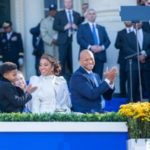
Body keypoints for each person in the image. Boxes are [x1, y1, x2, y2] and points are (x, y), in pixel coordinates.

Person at [53, 0, 83, 79]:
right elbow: (55, 26)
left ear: (72, 3)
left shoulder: (77, 14)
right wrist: (64, 27)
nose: (68, 3)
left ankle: (74, 79)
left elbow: (82, 26)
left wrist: (76, 27)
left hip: (75, 41)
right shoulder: (59, 14)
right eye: (66, 2)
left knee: (73, 60)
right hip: (63, 41)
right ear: (64, 4)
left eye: (70, 2)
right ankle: (61, 79)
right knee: (62, 60)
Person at [77, 8, 111, 79]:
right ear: (86, 16)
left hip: (100, 56)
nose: (92, 15)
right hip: (87, 57)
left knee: (98, 78)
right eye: (90, 14)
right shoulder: (82, 27)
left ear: (96, 16)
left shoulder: (101, 28)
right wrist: (90, 47)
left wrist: (101, 48)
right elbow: (79, 40)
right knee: (87, 78)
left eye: (93, 14)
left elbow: (108, 41)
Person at [122, 22, 150, 102]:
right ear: (132, 23)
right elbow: (126, 49)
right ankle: (131, 109)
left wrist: (145, 55)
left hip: (147, 66)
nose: (137, 23)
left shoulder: (148, 34)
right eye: (135, 21)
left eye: (139, 21)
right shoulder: (126, 35)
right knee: (133, 89)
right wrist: (137, 57)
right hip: (133, 66)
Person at [114, 21, 134, 97]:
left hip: (134, 58)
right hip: (123, 59)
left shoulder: (136, 31)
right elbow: (116, 45)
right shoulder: (120, 32)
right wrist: (124, 44)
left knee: (132, 77)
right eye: (126, 20)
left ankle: (132, 94)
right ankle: (123, 94)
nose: (128, 21)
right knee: (123, 78)